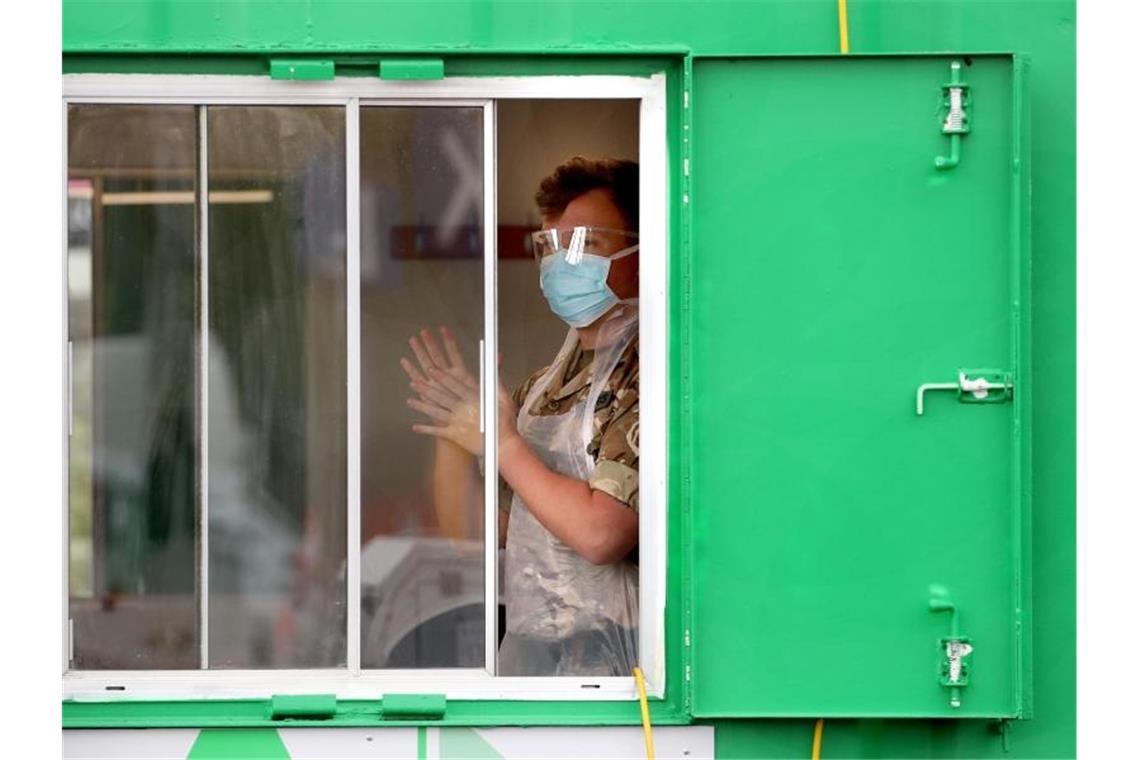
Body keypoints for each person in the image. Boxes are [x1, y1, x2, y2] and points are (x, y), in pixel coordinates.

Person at [401, 157, 641, 677]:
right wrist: (457, 430)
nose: (562, 263)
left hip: (635, 676)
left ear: (643, 251)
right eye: (550, 247)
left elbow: (603, 535)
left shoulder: (656, 370)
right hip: (542, 664)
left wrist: (503, 445)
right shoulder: (542, 388)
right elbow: (477, 537)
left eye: (586, 244)